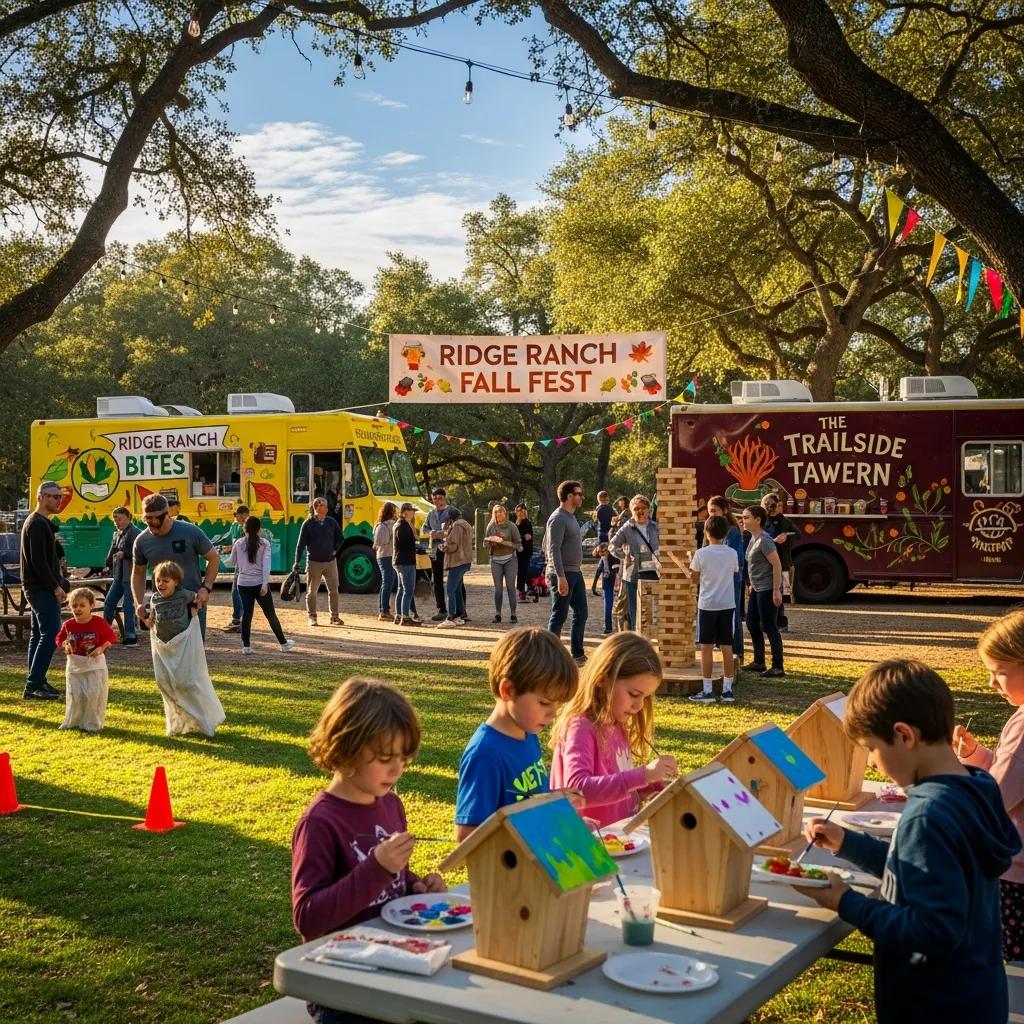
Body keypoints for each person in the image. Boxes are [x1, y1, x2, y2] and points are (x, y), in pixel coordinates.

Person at [798, 659, 1020, 1024]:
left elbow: (932, 930)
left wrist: (845, 901)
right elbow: (924, 869)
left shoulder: (927, 814)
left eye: (871, 748)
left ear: (904, 735)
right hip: (978, 994)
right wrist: (847, 843)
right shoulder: (976, 788)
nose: (872, 763)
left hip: (935, 1006)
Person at [291, 677, 446, 1024]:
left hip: (393, 962)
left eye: (404, 758)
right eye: (385, 758)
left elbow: (393, 879)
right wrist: (377, 867)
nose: (398, 769)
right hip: (341, 985)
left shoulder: (390, 804)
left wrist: (416, 886)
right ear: (345, 750)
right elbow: (308, 918)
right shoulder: (319, 823)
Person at [454, 626, 579, 840]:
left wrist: (553, 800)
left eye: (558, 705)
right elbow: (466, 835)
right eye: (544, 703)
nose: (552, 713)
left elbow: (528, 800)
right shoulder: (485, 754)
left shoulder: (528, 734)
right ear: (508, 690)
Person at [549, 632, 676, 828]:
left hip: (618, 842)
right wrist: (643, 775)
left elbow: (617, 790)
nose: (639, 706)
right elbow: (577, 789)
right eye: (634, 694)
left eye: (645, 697)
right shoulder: (580, 727)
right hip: (588, 847)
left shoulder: (616, 724)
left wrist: (648, 787)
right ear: (603, 679)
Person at [954, 609, 1024, 961]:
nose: (992, 685)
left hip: (1017, 871)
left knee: (1010, 965)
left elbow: (996, 798)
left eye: (999, 674)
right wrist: (979, 756)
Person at [131, 493, 219, 640]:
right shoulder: (142, 541)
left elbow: (214, 558)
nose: (152, 524)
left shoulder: (190, 532)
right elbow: (138, 572)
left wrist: (206, 587)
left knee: (193, 655)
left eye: (156, 520)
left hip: (192, 604)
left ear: (167, 515)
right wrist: (138, 603)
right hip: (162, 608)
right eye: (148, 520)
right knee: (166, 656)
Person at [680, 514, 740, 702]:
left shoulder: (701, 554)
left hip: (707, 605)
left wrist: (690, 562)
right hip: (727, 604)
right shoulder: (732, 553)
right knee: (726, 647)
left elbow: (695, 579)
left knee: (706, 647)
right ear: (725, 533)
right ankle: (727, 690)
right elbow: (734, 571)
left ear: (706, 533)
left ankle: (707, 690)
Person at [20, 481, 68, 700]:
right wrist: (56, 586)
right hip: (40, 588)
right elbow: (38, 561)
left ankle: (37, 679)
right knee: (50, 634)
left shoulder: (41, 523)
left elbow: (48, 552)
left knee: (38, 634)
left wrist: (60, 554)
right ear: (40, 497)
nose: (59, 500)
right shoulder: (37, 523)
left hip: (37, 587)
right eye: (54, 496)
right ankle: (33, 684)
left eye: (60, 497)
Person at [56, 586, 117, 731]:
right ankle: (75, 720)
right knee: (76, 693)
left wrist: (101, 648)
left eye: (82, 605)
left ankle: (91, 723)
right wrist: (64, 645)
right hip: (76, 665)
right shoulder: (68, 625)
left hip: (94, 665)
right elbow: (59, 639)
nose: (77, 609)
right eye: (74, 606)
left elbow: (111, 637)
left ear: (91, 606)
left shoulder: (99, 622)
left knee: (93, 693)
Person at [232, 515, 294, 655]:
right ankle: (283, 643)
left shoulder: (238, 543)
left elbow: (232, 562)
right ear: (259, 529)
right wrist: (265, 584)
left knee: (246, 614)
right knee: (270, 614)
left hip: (243, 583)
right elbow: (266, 566)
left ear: (244, 528)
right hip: (259, 583)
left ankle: (246, 647)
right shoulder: (264, 543)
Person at [545, 480, 588, 665]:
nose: (581, 497)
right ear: (569, 496)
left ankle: (577, 654)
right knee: (559, 614)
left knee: (582, 612)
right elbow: (553, 549)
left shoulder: (571, 517)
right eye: (578, 493)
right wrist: (560, 577)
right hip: (562, 573)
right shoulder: (558, 518)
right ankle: (548, 655)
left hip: (575, 572)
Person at [740, 505, 784, 677]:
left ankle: (778, 666)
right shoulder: (752, 538)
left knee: (769, 626)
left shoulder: (765, 540)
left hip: (767, 589)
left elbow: (777, 565)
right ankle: (759, 661)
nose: (743, 520)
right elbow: (753, 565)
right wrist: (751, 583)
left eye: (747, 517)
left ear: (758, 520)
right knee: (751, 623)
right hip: (757, 588)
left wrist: (776, 590)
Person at [608, 494, 660, 634]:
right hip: (633, 573)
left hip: (653, 573)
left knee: (652, 609)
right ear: (632, 511)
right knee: (634, 609)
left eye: (643, 508)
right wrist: (624, 556)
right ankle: (635, 640)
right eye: (636, 508)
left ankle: (648, 638)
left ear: (649, 510)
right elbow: (612, 546)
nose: (640, 511)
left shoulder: (656, 527)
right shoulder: (627, 527)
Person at [706, 495, 746, 665]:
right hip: (715, 578)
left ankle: (736, 651)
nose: (711, 515)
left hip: (731, 579)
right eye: (709, 512)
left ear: (725, 510)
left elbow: (737, 558)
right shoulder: (710, 528)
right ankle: (719, 647)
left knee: (732, 615)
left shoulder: (732, 531)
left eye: (714, 511)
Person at [294, 497, 344, 628]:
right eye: (323, 505)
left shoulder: (331, 522)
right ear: (316, 507)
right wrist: (297, 562)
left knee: (333, 590)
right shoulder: (308, 523)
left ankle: (334, 616)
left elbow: (340, 538)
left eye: (326, 506)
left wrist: (335, 551)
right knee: (312, 591)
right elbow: (300, 545)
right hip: (314, 562)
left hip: (330, 562)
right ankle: (312, 616)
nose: (327, 508)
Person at [101, 506, 141, 649]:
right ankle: (105, 633)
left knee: (128, 606)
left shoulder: (136, 533)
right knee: (109, 602)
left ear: (129, 518)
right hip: (119, 575)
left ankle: (130, 636)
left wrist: (125, 555)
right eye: (115, 519)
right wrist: (106, 564)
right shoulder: (117, 533)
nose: (117, 522)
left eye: (120, 519)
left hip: (131, 576)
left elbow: (140, 555)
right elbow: (112, 551)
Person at [761, 493, 797, 629]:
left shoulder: (784, 521)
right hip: (765, 562)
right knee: (766, 592)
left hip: (782, 562)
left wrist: (786, 536)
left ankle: (781, 622)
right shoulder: (762, 520)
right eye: (768, 505)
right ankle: (768, 622)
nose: (771, 508)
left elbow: (798, 533)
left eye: (773, 505)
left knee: (780, 593)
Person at [484, 503, 522, 624]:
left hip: (510, 559)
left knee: (511, 587)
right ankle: (498, 614)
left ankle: (513, 614)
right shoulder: (491, 527)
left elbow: (518, 545)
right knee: (498, 589)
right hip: (495, 560)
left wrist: (503, 542)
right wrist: (490, 541)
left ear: (505, 513)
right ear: (493, 514)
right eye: (496, 512)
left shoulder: (511, 526)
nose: (498, 513)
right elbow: (485, 544)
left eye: (501, 511)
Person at [141, 560, 197, 641]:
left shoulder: (183, 595)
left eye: (165, 581)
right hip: (163, 646)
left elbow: (198, 598)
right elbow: (151, 624)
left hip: (182, 643)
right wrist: (143, 617)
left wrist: (195, 609)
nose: (160, 584)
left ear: (176, 582)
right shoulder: (155, 599)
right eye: (158, 580)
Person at [436, 507, 473, 628]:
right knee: (457, 589)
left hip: (457, 561)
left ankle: (450, 616)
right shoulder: (466, 525)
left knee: (450, 589)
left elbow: (453, 546)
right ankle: (459, 615)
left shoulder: (456, 527)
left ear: (451, 518)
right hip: (465, 561)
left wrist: (443, 547)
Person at [423, 486, 452, 621]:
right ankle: (441, 609)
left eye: (439, 498)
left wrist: (440, 534)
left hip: (450, 550)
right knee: (437, 579)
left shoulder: (452, 512)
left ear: (444, 498)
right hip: (435, 550)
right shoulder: (430, 514)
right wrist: (430, 533)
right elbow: (425, 528)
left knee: (456, 579)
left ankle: (460, 610)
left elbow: (457, 529)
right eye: (434, 498)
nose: (437, 501)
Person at [221, 504, 249, 634]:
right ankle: (239, 619)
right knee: (238, 592)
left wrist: (230, 549)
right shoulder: (236, 526)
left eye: (237, 515)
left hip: (244, 564)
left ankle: (239, 620)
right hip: (240, 563)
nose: (236, 518)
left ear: (243, 515)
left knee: (237, 592)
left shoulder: (248, 526)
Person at [392, 502, 420, 627]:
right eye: (411, 511)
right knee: (408, 590)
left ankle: (399, 615)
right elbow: (404, 542)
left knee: (401, 589)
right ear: (405, 512)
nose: (413, 513)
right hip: (405, 561)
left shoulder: (399, 524)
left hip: (400, 560)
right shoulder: (403, 525)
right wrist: (416, 542)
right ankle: (405, 617)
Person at [372, 502, 398, 623]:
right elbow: (380, 542)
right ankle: (384, 610)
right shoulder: (384, 526)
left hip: (386, 555)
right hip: (385, 555)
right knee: (387, 582)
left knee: (388, 582)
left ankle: (384, 609)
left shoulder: (381, 525)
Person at [592, 542, 619, 635]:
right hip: (607, 584)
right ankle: (608, 627)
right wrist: (593, 586)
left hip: (616, 582)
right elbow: (598, 572)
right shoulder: (602, 560)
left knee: (619, 606)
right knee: (608, 607)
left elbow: (617, 569)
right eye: (601, 552)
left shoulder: (614, 558)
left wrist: (616, 577)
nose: (603, 553)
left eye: (605, 551)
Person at [513, 503, 534, 601]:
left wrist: (524, 537)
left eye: (522, 510)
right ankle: (522, 590)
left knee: (524, 571)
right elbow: (514, 537)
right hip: (517, 551)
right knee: (520, 571)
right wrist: (523, 537)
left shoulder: (527, 522)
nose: (520, 512)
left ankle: (526, 589)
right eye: (518, 511)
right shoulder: (514, 523)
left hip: (526, 551)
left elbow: (529, 536)